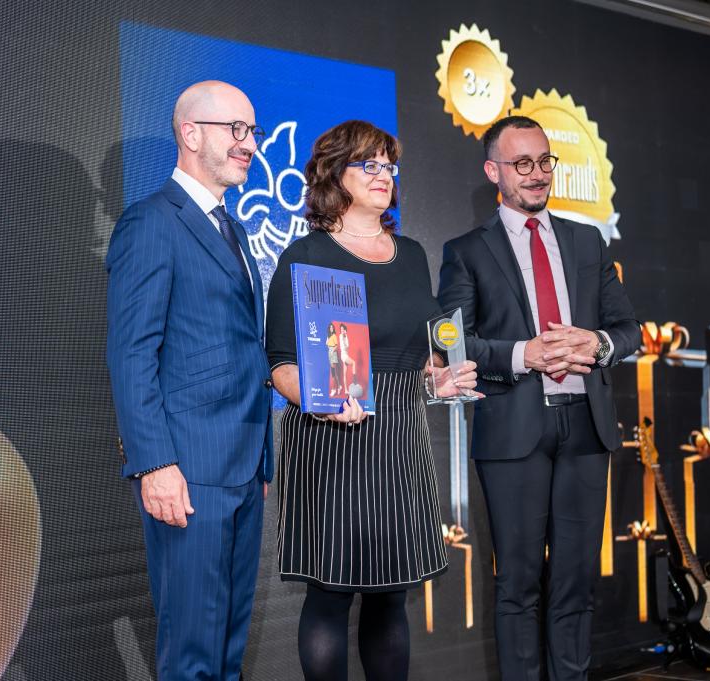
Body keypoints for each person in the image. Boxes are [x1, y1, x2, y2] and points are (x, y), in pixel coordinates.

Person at [266, 120, 479, 681]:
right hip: (331, 441)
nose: (385, 175)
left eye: (390, 165)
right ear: (335, 172)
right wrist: (319, 402)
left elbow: (419, 353)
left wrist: (439, 380)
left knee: (391, 594)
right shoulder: (305, 255)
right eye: (371, 164)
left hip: (400, 441)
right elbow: (280, 365)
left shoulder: (410, 254)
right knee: (330, 594)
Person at [437, 115, 641, 681]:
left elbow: (629, 330)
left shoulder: (586, 241)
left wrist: (597, 343)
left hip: (587, 428)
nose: (536, 174)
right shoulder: (467, 251)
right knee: (518, 585)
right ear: (493, 171)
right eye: (522, 163)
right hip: (514, 430)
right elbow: (450, 341)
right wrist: (522, 354)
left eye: (544, 161)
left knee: (575, 583)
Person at [106, 80, 273, 681]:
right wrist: (154, 464)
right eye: (237, 129)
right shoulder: (151, 222)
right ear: (190, 133)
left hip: (243, 466)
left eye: (252, 131)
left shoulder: (235, 230)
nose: (249, 144)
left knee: (227, 652)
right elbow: (132, 353)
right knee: (192, 656)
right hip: (188, 469)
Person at [327, 322, 341, 396]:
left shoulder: (334, 336)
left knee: (333, 373)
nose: (331, 328)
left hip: (333, 353)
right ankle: (339, 386)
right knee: (335, 372)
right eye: (330, 327)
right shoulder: (329, 336)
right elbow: (327, 344)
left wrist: (332, 351)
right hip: (330, 353)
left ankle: (334, 389)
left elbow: (336, 346)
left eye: (332, 327)